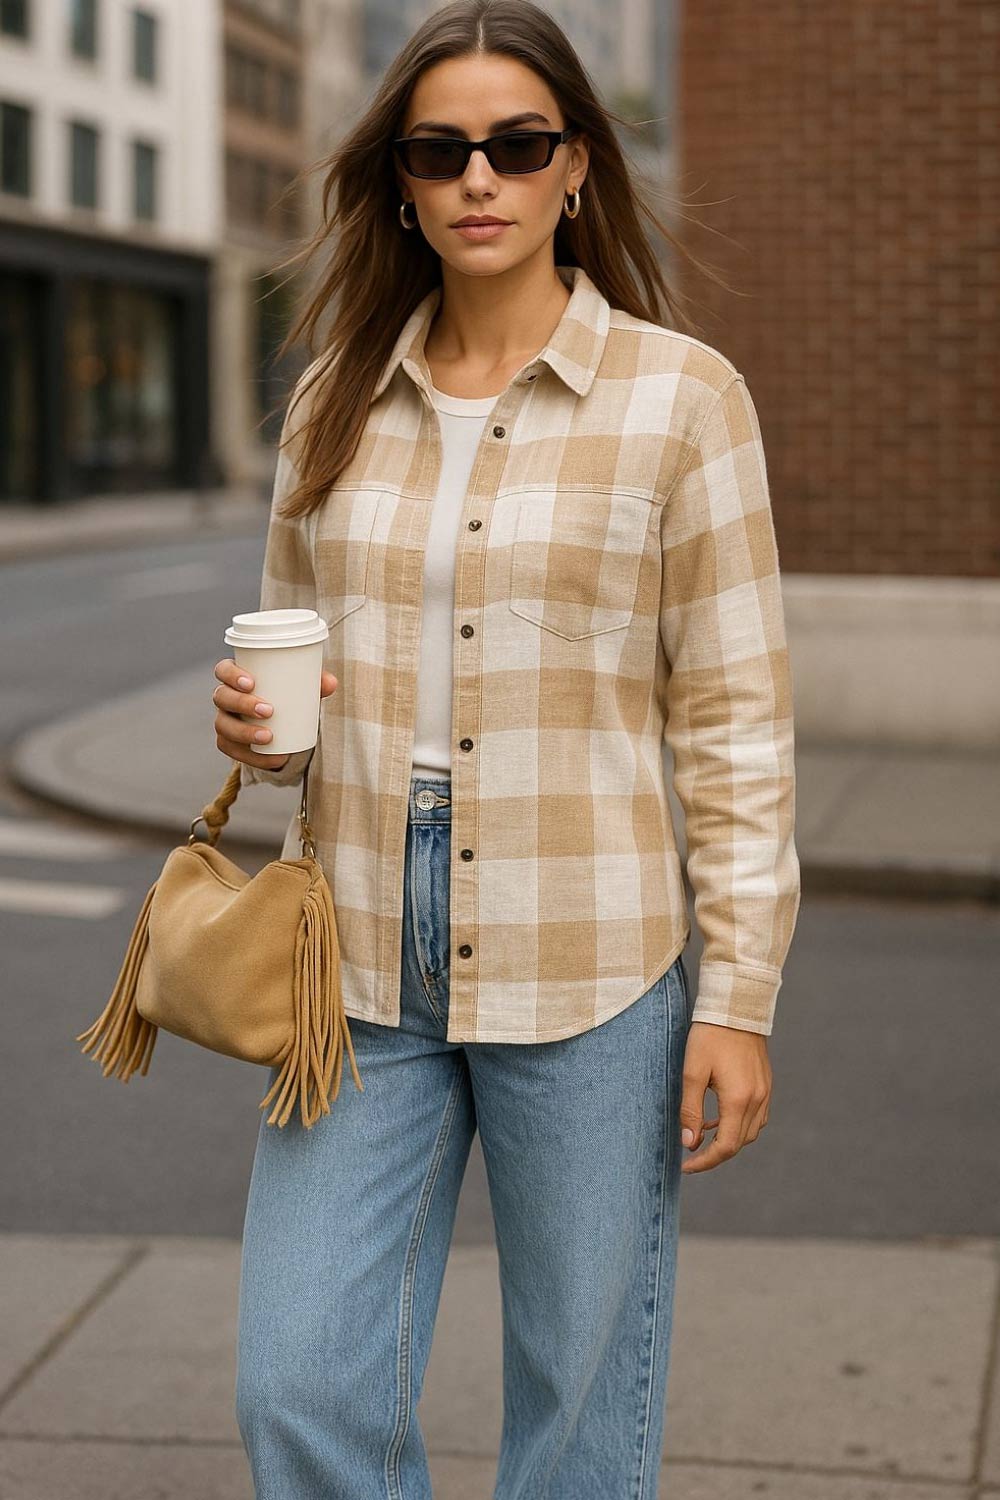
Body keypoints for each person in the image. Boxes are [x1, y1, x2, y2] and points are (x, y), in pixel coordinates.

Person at [212, 2, 801, 1494]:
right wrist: (260, 738)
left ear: (576, 170)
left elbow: (735, 722)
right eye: (440, 148)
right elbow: (297, 674)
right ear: (400, 179)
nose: (480, 176)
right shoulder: (331, 401)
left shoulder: (683, 400)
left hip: (592, 950)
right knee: (298, 1375)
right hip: (351, 953)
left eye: (517, 144)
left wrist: (737, 996)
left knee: (580, 1398)